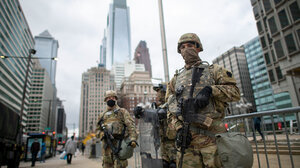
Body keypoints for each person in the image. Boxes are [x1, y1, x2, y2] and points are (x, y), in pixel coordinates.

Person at [166, 33, 240, 167]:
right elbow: (170, 109)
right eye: (182, 47)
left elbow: (235, 93)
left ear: (198, 47)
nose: (186, 49)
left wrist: (211, 90)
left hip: (212, 139)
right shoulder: (175, 80)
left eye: (190, 45)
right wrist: (178, 128)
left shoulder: (214, 71)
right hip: (187, 142)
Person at [134, 84, 177, 168]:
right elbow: (151, 118)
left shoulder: (172, 103)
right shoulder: (158, 106)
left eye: (158, 91)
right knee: (164, 164)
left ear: (165, 92)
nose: (157, 94)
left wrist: (145, 112)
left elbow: (161, 114)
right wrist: (140, 113)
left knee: (174, 164)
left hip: (173, 143)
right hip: (162, 143)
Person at [97, 90, 138, 168]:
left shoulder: (122, 112)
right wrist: (102, 134)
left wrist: (133, 139)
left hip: (120, 145)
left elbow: (131, 126)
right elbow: (97, 130)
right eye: (108, 98)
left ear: (115, 99)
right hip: (107, 148)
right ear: (105, 100)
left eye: (112, 97)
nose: (110, 99)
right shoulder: (102, 115)